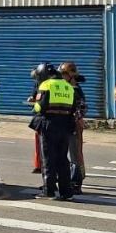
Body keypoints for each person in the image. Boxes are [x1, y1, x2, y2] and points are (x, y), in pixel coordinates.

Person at [31, 62, 77, 201]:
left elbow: (40, 107)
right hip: (65, 125)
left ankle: (48, 190)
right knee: (62, 159)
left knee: (48, 158)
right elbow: (74, 107)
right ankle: (66, 192)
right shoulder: (68, 86)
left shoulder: (46, 85)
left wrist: (35, 104)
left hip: (49, 125)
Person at [59, 61, 88, 195]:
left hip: (74, 125)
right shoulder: (62, 88)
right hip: (63, 125)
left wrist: (75, 118)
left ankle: (76, 183)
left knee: (75, 155)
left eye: (64, 74)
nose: (62, 77)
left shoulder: (76, 90)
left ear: (71, 75)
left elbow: (82, 109)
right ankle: (64, 180)